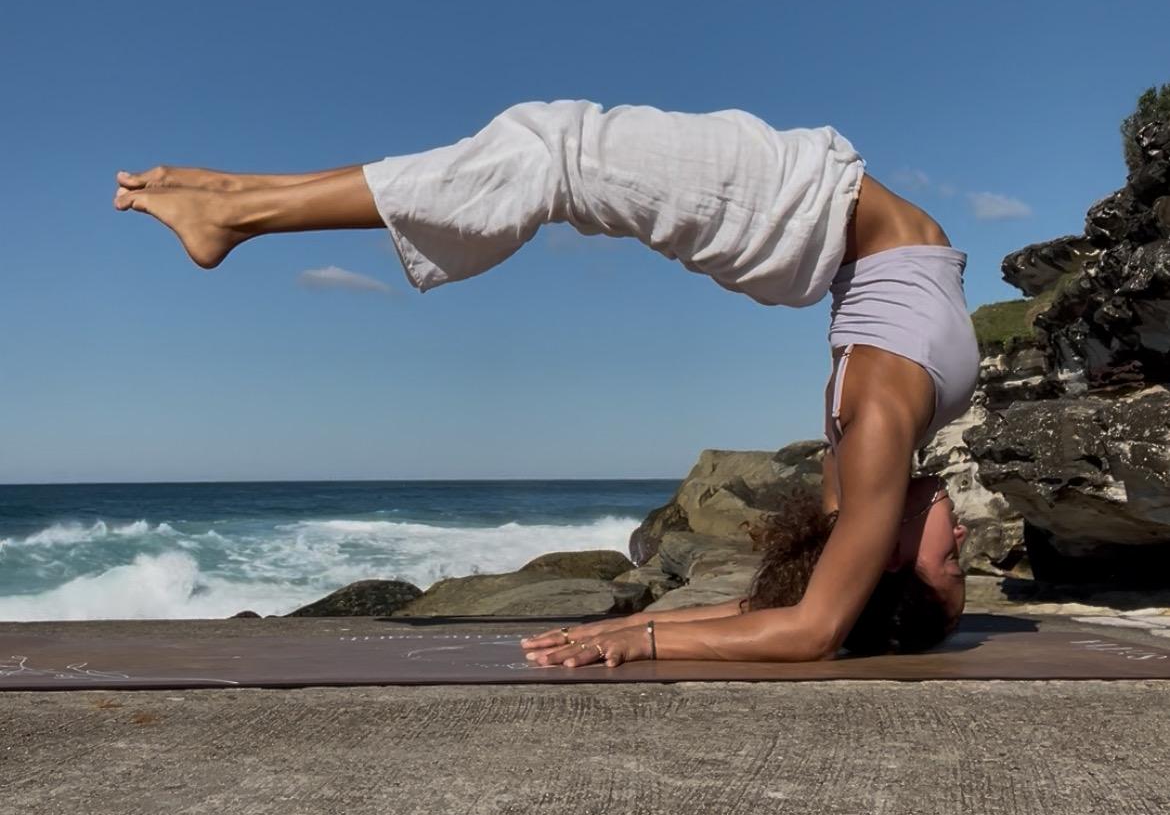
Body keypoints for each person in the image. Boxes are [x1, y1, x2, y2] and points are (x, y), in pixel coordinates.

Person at [113, 99, 979, 667]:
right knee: (539, 146)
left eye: (951, 564)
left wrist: (637, 635)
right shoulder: (868, 466)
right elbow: (780, 605)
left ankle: (237, 209)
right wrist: (656, 624)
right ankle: (237, 198)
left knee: (547, 155)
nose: (967, 541)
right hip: (809, 218)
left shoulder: (872, 438)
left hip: (795, 213)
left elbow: (810, 627)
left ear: (892, 555)